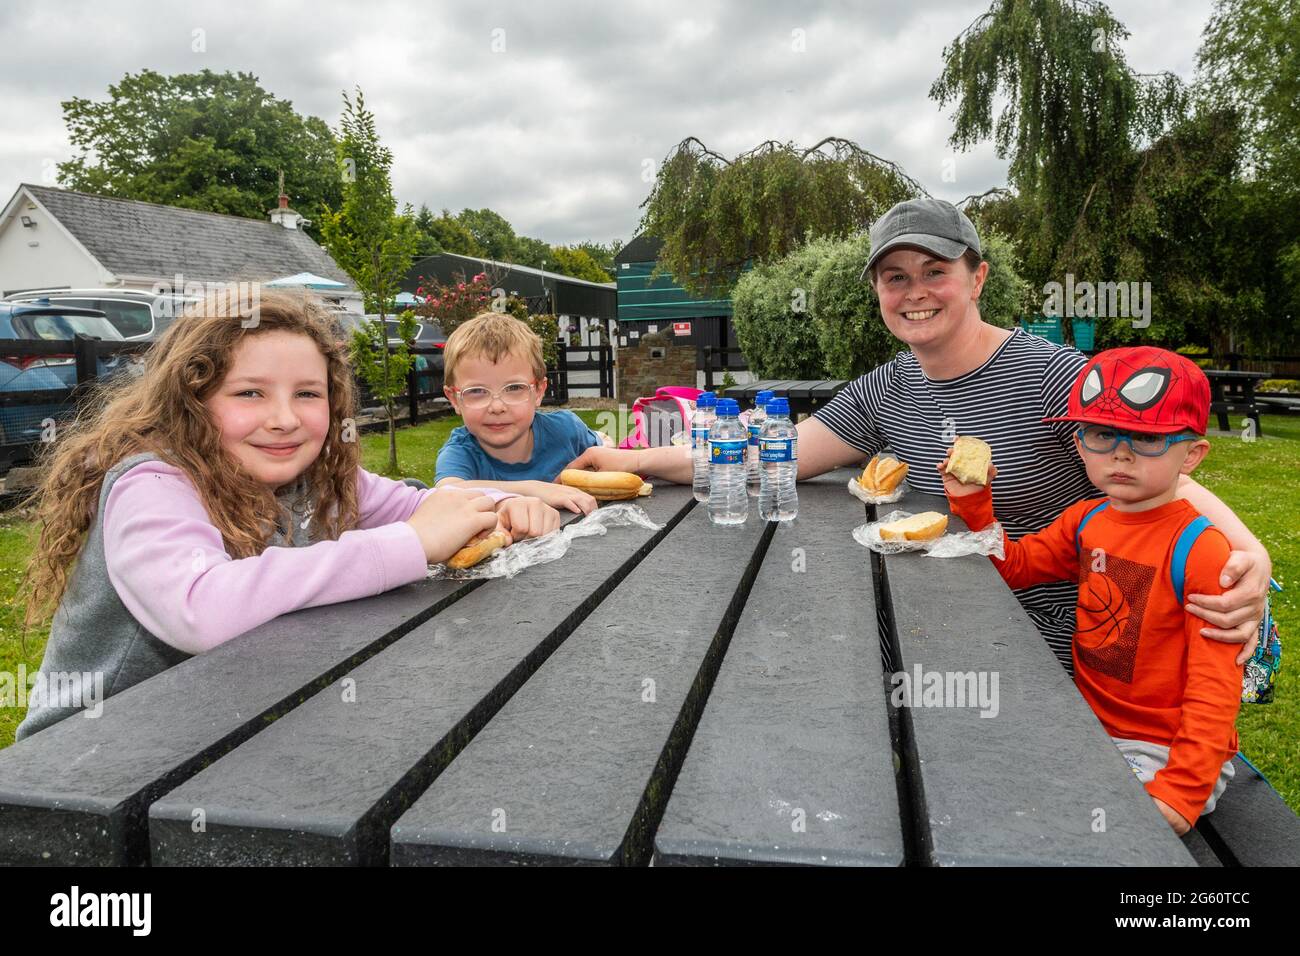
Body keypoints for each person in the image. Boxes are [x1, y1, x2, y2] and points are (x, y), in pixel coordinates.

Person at [567, 198, 1271, 671]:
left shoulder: (1054, 375)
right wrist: (627, 458)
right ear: (878, 291)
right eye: (896, 277)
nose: (916, 293)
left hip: (1054, 637)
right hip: (929, 616)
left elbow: (1160, 480)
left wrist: (1252, 554)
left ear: (977, 278)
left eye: (936, 272)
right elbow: (768, 455)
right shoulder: (891, 387)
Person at [16, 291, 560, 739]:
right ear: (190, 401)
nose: (283, 419)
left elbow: (423, 507)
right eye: (249, 392)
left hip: (222, 728)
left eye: (307, 394)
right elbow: (199, 610)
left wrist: (506, 506)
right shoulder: (154, 482)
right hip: (89, 764)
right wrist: (410, 546)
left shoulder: (318, 478)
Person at [941, 347, 1240, 834]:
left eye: (1146, 437)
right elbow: (1014, 567)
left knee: (1089, 835)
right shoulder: (1087, 519)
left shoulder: (1201, 549)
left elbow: (1216, 688)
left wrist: (1182, 790)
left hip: (1162, 748)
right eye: (1102, 434)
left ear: (1192, 454)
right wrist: (975, 504)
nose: (1120, 453)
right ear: (1078, 445)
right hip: (1083, 719)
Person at [434, 311, 606, 515]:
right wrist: (534, 489)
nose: (497, 407)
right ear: (454, 399)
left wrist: (605, 446)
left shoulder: (565, 430)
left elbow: (604, 450)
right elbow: (447, 494)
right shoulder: (461, 453)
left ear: (539, 391)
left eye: (514, 388)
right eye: (477, 391)